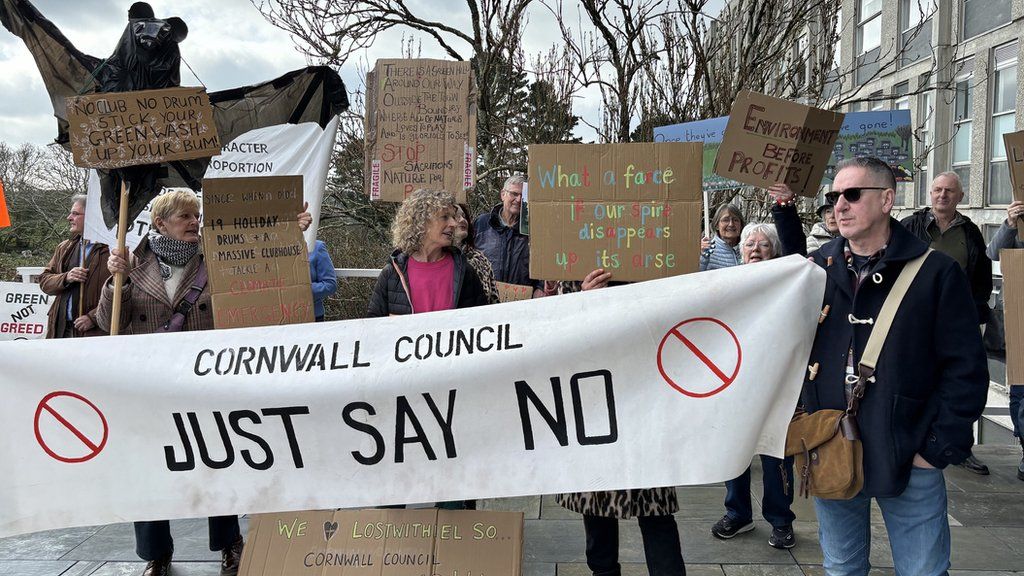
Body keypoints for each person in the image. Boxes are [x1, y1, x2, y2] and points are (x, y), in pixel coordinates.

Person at [770, 157, 988, 576]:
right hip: (832, 443)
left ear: (887, 199)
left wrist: (937, 448)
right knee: (841, 568)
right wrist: (784, 210)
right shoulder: (820, 268)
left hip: (911, 448)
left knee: (923, 570)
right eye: (835, 196)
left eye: (853, 194)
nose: (840, 205)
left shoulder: (936, 272)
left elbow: (966, 369)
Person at [96, 190, 313, 576]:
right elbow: (106, 321)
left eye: (196, 215)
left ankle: (230, 544)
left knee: (219, 463)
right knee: (151, 468)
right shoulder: (130, 261)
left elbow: (265, 278)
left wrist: (287, 239)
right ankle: (156, 554)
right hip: (150, 384)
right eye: (185, 216)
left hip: (207, 383)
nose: (195, 221)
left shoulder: (219, 256)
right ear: (160, 223)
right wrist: (118, 282)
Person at [556, 269, 686, 576]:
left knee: (656, 508)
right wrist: (584, 301)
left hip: (644, 396)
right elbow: (560, 333)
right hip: (594, 401)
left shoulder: (657, 266)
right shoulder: (571, 268)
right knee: (597, 503)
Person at [900, 171, 993, 475]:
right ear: (930, 194)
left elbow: (982, 276)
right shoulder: (909, 226)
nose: (943, 195)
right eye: (938, 190)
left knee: (961, 380)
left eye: (949, 191)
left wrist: (972, 310)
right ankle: (912, 439)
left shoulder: (970, 232)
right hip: (914, 317)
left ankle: (959, 446)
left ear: (960, 197)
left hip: (956, 319)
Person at [711, 222, 796, 550]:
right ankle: (738, 514)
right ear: (741, 251)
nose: (756, 249)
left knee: (776, 455)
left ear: (774, 250)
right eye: (750, 245)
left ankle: (781, 519)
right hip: (736, 383)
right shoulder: (727, 283)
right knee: (735, 450)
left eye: (763, 244)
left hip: (777, 382)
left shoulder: (786, 283)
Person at [367, 188, 488, 318]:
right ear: (422, 222)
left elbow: (481, 322)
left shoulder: (465, 271)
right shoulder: (393, 272)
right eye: (445, 217)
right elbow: (373, 323)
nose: (454, 223)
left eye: (453, 217)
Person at [985, 199, 1024, 481]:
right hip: (1020, 311)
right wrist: (1010, 222)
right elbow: (994, 252)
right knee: (1020, 392)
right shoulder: (1018, 217)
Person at [39, 194, 111, 338]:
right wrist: (66, 277)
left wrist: (93, 318)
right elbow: (44, 281)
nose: (69, 218)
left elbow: (121, 293)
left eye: (75, 214)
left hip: (93, 334)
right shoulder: (64, 247)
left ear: (92, 217)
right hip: (60, 329)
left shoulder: (112, 250)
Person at [473, 174, 543, 296]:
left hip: (521, 300)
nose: (519, 199)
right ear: (503, 194)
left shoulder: (534, 229)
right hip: (484, 298)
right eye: (514, 194)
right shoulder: (482, 223)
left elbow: (544, 261)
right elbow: (467, 258)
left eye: (524, 196)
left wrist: (541, 287)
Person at [455, 203, 499, 304]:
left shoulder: (480, 259)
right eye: (456, 216)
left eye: (464, 216)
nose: (462, 220)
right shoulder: (437, 259)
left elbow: (494, 300)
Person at [699, 204, 744, 271]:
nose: (731, 224)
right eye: (726, 220)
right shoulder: (706, 251)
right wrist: (702, 258)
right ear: (717, 225)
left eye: (735, 220)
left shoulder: (747, 249)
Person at [308, 239, 338, 322]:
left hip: (312, 317)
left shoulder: (316, 246)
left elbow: (330, 284)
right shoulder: (270, 248)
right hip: (273, 318)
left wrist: (300, 289)